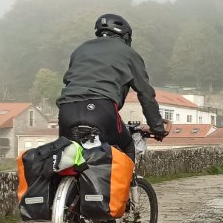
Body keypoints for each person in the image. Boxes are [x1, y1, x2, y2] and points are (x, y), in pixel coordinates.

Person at [56, 13, 169, 157]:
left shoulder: (80, 50)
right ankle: (123, 180)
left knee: (70, 157)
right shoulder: (128, 53)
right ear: (126, 36)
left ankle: (64, 180)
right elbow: (146, 94)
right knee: (127, 144)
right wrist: (157, 128)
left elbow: (70, 81)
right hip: (102, 109)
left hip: (66, 110)